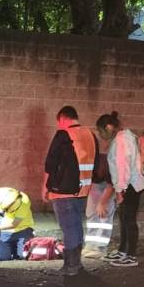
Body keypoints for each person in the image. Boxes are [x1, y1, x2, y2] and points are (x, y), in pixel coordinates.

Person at [42, 105, 98, 276]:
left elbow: (51, 163)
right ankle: (77, 263)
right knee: (76, 225)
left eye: (59, 122)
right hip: (83, 190)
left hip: (63, 190)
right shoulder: (90, 135)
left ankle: (71, 266)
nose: (59, 125)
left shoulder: (63, 134)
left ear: (63, 119)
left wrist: (44, 186)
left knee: (68, 227)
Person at [96, 111, 144, 267]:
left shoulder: (121, 140)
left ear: (109, 127)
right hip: (133, 183)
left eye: (100, 130)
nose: (100, 134)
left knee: (129, 219)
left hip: (130, 185)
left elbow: (122, 167)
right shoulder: (127, 136)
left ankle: (131, 255)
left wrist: (119, 191)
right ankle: (123, 251)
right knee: (125, 218)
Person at [0, 187, 35, 261]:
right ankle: (13, 247)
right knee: (3, 258)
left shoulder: (24, 202)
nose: (6, 211)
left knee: (23, 256)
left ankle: (16, 247)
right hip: (6, 229)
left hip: (23, 228)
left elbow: (14, 224)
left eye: (8, 210)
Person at [82, 152, 116, 259]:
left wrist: (102, 203)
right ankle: (90, 245)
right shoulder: (82, 163)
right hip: (94, 184)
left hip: (108, 183)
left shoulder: (104, 164)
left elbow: (111, 185)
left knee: (104, 214)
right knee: (91, 213)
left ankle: (100, 248)